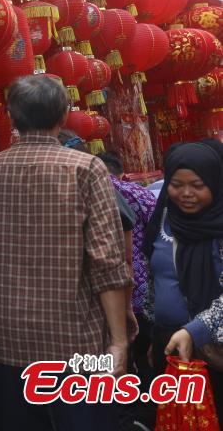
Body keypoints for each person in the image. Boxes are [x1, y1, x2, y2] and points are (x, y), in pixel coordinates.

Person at [0, 75, 130, 431]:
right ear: (63, 117)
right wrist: (118, 341)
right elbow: (107, 260)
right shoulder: (86, 168)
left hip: (4, 336)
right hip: (75, 339)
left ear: (12, 118)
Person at [144, 141, 223, 421]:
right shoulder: (163, 218)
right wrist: (157, 332)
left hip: (214, 348)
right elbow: (155, 278)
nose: (186, 193)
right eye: (177, 184)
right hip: (172, 346)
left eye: (198, 185)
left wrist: (194, 330)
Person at [97, 151, 157, 431]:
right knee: (140, 356)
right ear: (119, 173)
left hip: (99, 298)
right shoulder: (138, 194)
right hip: (139, 287)